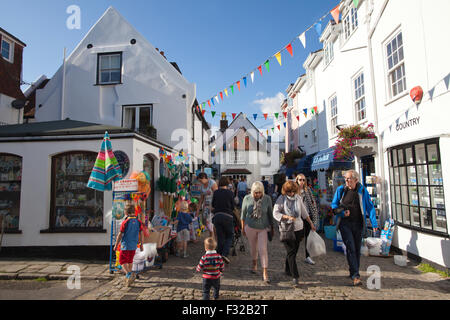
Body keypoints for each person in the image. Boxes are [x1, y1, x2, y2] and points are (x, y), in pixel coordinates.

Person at [331, 169, 379, 286]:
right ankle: (356, 276)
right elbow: (334, 205)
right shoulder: (341, 190)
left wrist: (374, 223)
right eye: (345, 179)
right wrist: (342, 213)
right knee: (351, 247)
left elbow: (370, 206)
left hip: (358, 224)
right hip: (345, 224)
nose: (346, 181)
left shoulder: (362, 191)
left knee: (356, 249)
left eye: (349, 179)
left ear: (356, 180)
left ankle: (353, 271)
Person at [273, 181, 316, 287]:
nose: (291, 194)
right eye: (289, 192)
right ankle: (295, 277)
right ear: (285, 191)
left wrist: (311, 223)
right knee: (291, 253)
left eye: (293, 191)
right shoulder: (281, 199)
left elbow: (304, 212)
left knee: (293, 252)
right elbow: (275, 213)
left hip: (299, 229)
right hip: (286, 229)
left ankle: (288, 269)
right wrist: (287, 217)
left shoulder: (298, 198)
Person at [241, 181, 274, 283]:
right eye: (256, 192)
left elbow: (270, 214)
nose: (257, 194)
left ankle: (265, 272)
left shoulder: (267, 199)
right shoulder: (247, 198)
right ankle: (254, 264)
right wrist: (242, 228)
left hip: (263, 227)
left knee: (263, 249)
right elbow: (243, 214)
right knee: (253, 247)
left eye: (259, 192)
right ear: (252, 191)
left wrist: (272, 228)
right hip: (250, 227)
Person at [113, 203, 145, 287]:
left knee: (122, 261)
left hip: (125, 245)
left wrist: (116, 245)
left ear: (126, 213)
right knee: (130, 261)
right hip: (134, 245)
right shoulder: (139, 222)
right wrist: (141, 244)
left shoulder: (125, 222)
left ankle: (129, 274)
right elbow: (141, 234)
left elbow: (120, 234)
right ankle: (129, 280)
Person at [296, 173, 319, 265]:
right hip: (298, 217)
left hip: (307, 216)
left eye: (303, 180)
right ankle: (293, 254)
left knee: (308, 237)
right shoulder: (294, 190)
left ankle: (307, 256)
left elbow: (312, 202)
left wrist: (314, 215)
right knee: (298, 237)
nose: (302, 182)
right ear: (296, 180)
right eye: (300, 180)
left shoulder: (307, 190)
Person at [211, 176, 235, 264]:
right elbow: (233, 206)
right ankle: (224, 254)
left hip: (217, 216)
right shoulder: (230, 193)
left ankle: (218, 256)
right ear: (227, 183)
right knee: (229, 235)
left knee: (220, 237)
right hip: (227, 216)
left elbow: (213, 204)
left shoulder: (216, 193)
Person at [197, 172, 218, 238]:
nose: (200, 182)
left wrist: (214, 206)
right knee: (206, 222)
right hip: (206, 206)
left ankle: (213, 237)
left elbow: (217, 194)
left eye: (200, 181)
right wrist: (198, 209)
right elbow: (201, 199)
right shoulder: (202, 186)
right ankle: (211, 236)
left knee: (211, 222)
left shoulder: (212, 182)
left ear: (204, 178)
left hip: (213, 205)